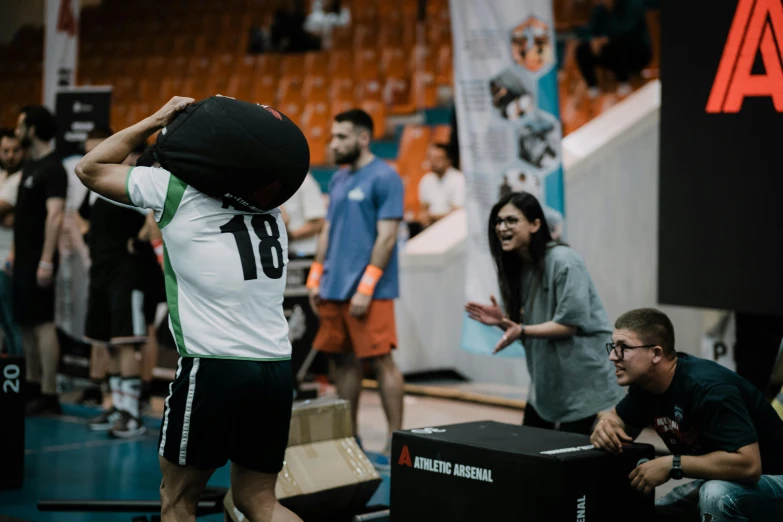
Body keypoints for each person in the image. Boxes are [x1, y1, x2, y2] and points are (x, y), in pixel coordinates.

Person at [75, 97, 302, 522]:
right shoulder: (273, 212)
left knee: (178, 500)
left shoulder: (174, 191)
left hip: (214, 366)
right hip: (275, 367)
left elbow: (89, 168)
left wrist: (156, 118)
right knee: (261, 502)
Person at [591, 308, 783, 521]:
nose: (612, 357)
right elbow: (617, 418)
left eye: (623, 348)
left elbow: (749, 466)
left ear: (656, 354)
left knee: (716, 495)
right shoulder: (646, 386)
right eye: (613, 346)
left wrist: (671, 464)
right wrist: (606, 424)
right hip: (730, 482)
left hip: (772, 479)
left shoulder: (710, 390)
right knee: (658, 511)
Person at [465, 191, 623, 435]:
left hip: (583, 381)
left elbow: (569, 323)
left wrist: (521, 329)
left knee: (570, 458)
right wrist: (503, 322)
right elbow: (524, 328)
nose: (502, 227)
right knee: (531, 451)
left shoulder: (564, 260)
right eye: (498, 221)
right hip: (546, 383)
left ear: (535, 224)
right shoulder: (516, 267)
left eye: (511, 220)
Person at [308, 108, 405, 465]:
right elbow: (328, 230)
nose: (333, 144)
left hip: (370, 291)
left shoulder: (385, 177)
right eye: (333, 136)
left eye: (341, 137)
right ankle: (348, 437)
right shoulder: (337, 179)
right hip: (334, 288)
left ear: (363, 138)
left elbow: (388, 236)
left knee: (381, 362)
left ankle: (396, 440)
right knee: (342, 363)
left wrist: (366, 286)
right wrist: (317, 275)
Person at [77, 128, 155, 438]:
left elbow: (156, 217)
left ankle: (132, 414)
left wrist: (139, 241)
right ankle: (117, 406)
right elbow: (82, 214)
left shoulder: (140, 179)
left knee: (126, 342)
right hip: (101, 271)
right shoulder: (97, 180)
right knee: (107, 341)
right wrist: (86, 235)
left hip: (128, 273)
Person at [14, 105, 67, 415]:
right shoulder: (29, 165)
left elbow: (55, 215)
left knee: (44, 324)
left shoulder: (53, 168)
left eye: (21, 126)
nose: (18, 131)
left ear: (32, 129)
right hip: (22, 258)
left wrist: (46, 260)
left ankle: (49, 393)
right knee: (26, 324)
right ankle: (32, 385)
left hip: (40, 258)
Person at [576, 0, 652, 100]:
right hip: (610, 53)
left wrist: (606, 39)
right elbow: (592, 32)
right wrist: (594, 41)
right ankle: (593, 88)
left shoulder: (632, 4)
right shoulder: (599, 10)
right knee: (582, 49)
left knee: (618, 45)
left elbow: (628, 31)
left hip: (636, 52)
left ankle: (624, 83)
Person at [0, 128, 24, 355]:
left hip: (8, 261)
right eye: (5, 150)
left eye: (15, 150)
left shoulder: (21, 178)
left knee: (12, 322)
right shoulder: (2, 176)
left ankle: (19, 378)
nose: (10, 155)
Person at [417, 143, 465, 229]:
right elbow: (423, 211)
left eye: (438, 158)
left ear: (448, 160)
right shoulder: (426, 180)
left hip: (453, 229)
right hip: (430, 229)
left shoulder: (459, 179)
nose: (433, 162)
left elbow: (457, 215)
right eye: (431, 158)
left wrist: (432, 217)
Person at [280, 172, 326, 259]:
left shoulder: (305, 181)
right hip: (285, 254)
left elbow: (318, 223)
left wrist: (289, 236)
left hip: (304, 255)